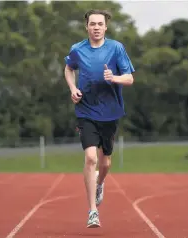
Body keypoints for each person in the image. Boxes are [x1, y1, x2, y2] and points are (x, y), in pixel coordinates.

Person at [64, 9, 135, 228]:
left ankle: (100, 183)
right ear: (86, 27)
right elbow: (68, 68)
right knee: (91, 159)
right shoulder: (77, 49)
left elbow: (130, 78)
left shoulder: (116, 48)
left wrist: (113, 77)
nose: (96, 27)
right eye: (92, 24)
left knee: (105, 162)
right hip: (86, 111)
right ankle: (92, 211)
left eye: (100, 24)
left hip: (110, 113)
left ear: (106, 27)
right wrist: (73, 88)